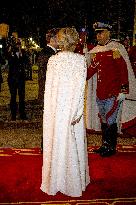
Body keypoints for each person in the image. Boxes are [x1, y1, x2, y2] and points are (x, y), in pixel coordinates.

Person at [41, 27, 90, 197]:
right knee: (73, 143)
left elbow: (49, 90)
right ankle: (75, 181)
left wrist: (49, 112)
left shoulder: (53, 61)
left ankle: (57, 180)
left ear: (61, 41)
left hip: (57, 109)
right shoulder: (80, 60)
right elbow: (80, 90)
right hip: (71, 109)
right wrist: (76, 113)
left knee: (58, 143)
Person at [86, 22, 131, 157]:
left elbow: (123, 70)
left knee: (111, 121)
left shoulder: (115, 49)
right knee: (104, 120)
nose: (98, 36)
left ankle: (111, 147)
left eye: (101, 33)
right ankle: (105, 145)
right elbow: (91, 71)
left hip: (113, 92)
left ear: (108, 33)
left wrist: (123, 90)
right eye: (97, 33)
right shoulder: (97, 51)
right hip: (101, 93)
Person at [6, 31, 27, 121]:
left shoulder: (22, 51)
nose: (15, 40)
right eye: (13, 38)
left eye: (16, 38)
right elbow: (7, 58)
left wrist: (20, 48)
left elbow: (25, 61)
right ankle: (13, 114)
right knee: (13, 97)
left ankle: (22, 114)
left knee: (22, 97)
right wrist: (10, 47)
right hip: (12, 78)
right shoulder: (9, 50)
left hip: (21, 78)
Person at [37, 28, 59, 105]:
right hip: (48, 93)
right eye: (59, 37)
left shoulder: (50, 52)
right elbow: (46, 76)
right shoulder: (47, 53)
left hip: (49, 92)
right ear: (53, 38)